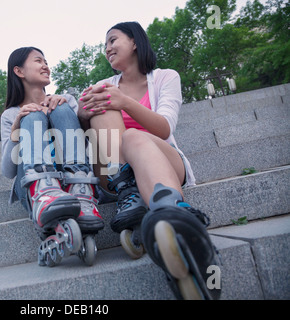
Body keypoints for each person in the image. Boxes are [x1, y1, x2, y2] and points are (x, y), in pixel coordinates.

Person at [78, 22, 221, 299]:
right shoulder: (104, 87)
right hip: (113, 173)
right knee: (103, 104)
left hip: (162, 160)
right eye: (105, 44)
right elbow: (89, 138)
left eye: (112, 40)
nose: (107, 48)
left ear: (134, 42)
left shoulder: (166, 77)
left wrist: (125, 102)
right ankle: (141, 199)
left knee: (134, 137)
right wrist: (81, 114)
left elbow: (165, 127)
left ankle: (177, 226)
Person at [0, 47, 104, 267]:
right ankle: (43, 194)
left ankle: (82, 193)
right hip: (31, 184)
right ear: (19, 71)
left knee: (62, 109)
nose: (46, 65)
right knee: (32, 115)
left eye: (46, 61)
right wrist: (17, 127)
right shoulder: (10, 115)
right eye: (38, 61)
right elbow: (8, 171)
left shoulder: (65, 101)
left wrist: (66, 111)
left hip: (71, 180)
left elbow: (85, 145)